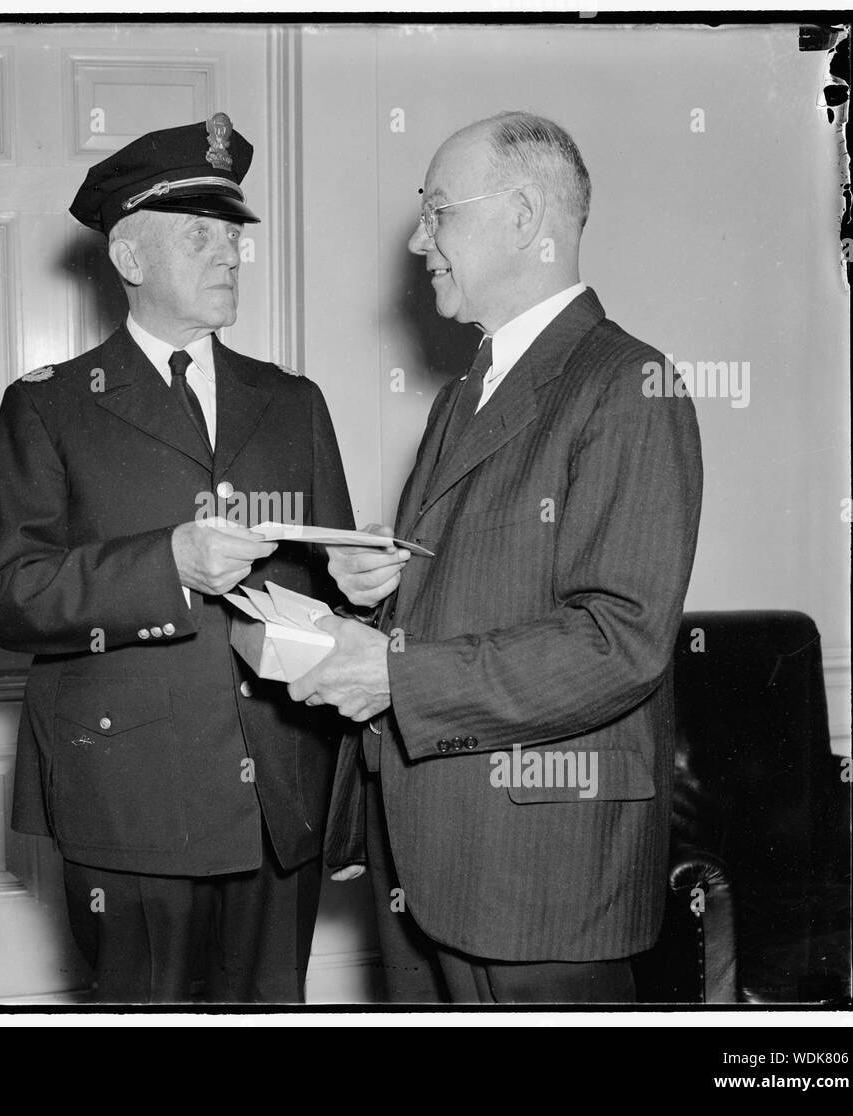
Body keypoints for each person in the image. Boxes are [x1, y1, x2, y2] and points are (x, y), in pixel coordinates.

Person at [289, 111, 703, 1003]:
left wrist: (396, 676)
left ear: (522, 217)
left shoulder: (630, 384)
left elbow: (619, 640)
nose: (416, 239)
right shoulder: (463, 394)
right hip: (429, 854)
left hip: (539, 881)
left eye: (438, 211)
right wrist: (380, 594)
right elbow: (477, 593)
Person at [0, 116, 354, 1003]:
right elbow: (6, 597)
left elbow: (328, 579)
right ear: (131, 259)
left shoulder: (293, 402)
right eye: (201, 235)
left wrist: (362, 580)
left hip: (277, 804)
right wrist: (168, 564)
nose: (229, 255)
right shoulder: (50, 408)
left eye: (233, 237)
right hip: (131, 806)